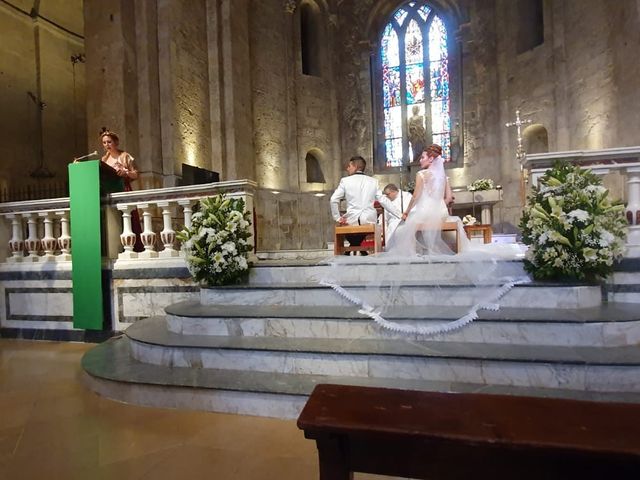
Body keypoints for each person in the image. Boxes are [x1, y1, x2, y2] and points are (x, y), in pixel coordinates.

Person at [99, 128, 144, 252]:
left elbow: (136, 174)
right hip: (110, 191)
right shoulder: (103, 159)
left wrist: (126, 172)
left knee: (128, 218)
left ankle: (133, 247)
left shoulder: (125, 156)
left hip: (123, 189)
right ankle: (115, 247)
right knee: (113, 220)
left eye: (109, 142)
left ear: (116, 142)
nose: (106, 145)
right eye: (104, 142)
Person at [330, 156, 379, 253]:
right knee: (359, 224)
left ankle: (351, 248)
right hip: (369, 219)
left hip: (352, 220)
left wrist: (338, 218)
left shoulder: (345, 181)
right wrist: (399, 214)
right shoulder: (374, 181)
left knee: (343, 223)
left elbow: (333, 199)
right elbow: (383, 200)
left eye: (349, 166)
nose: (347, 168)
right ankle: (358, 247)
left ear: (356, 166)